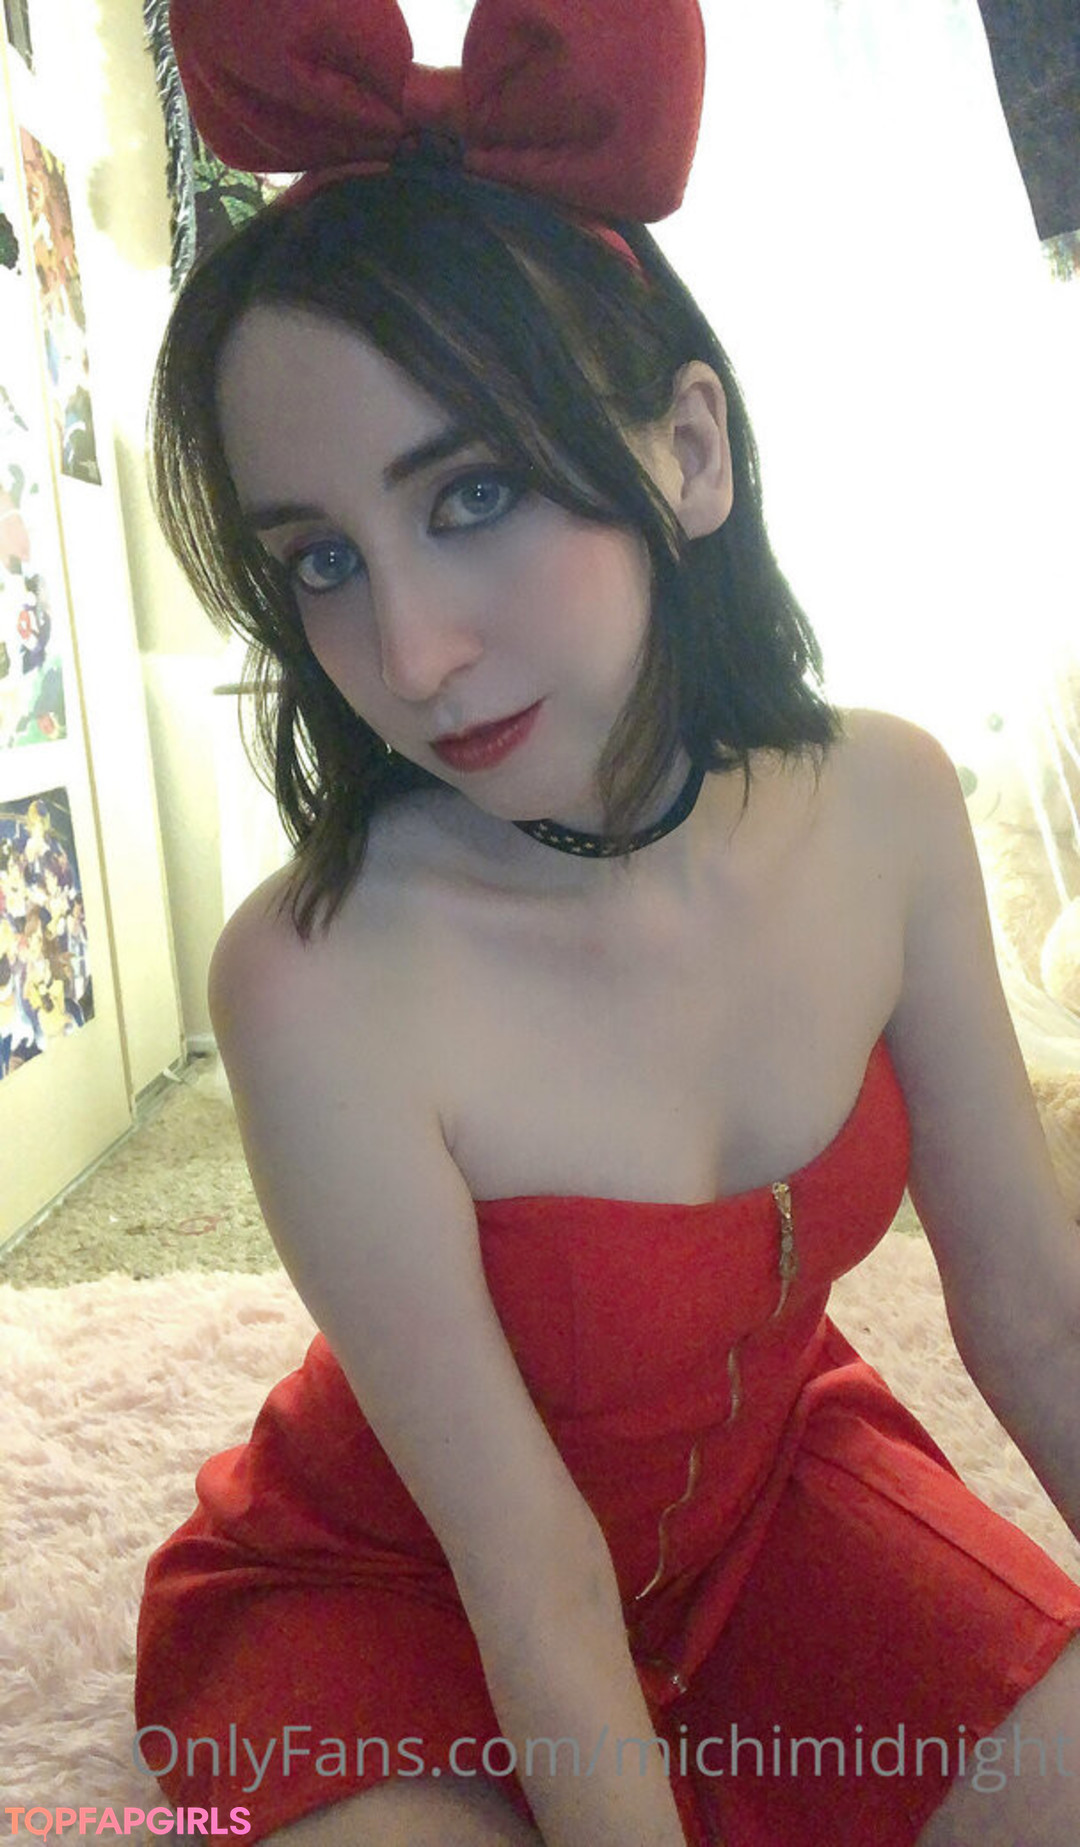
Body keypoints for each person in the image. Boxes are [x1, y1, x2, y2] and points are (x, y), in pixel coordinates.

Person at [135, 2, 1080, 1843]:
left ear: (689, 452)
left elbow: (1037, 1314)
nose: (409, 655)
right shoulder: (315, 981)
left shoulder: (887, 805)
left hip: (771, 1514)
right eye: (322, 558)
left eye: (473, 493)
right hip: (399, 1593)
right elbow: (532, 1576)